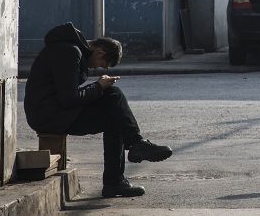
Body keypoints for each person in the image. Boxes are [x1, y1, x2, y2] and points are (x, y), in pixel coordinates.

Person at [24, 23, 173, 198]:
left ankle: (128, 158)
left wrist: (99, 87)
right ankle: (122, 167)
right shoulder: (70, 52)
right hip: (48, 116)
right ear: (100, 53)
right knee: (113, 100)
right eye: (101, 65)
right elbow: (69, 99)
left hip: (53, 111)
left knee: (113, 107)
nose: (96, 68)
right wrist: (98, 86)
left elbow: (67, 96)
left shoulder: (69, 50)